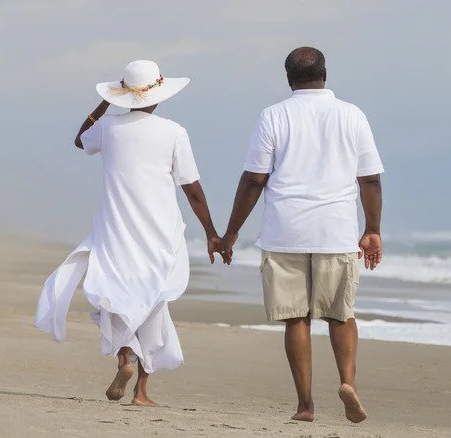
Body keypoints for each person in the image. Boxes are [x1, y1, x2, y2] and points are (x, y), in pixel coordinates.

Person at [35, 60, 221, 407]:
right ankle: (142, 393)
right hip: (160, 233)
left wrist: (106, 103)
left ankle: (125, 358)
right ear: (159, 95)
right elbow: (192, 189)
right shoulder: (174, 132)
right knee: (153, 302)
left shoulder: (107, 127)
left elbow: (80, 140)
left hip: (116, 230)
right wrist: (212, 233)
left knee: (117, 298)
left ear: (124, 94)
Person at [220, 47, 384, 423]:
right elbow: (370, 179)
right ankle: (348, 383)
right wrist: (372, 229)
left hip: (285, 231)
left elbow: (254, 180)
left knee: (296, 318)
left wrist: (230, 233)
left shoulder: (273, 116)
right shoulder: (352, 115)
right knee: (340, 315)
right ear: (325, 74)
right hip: (336, 230)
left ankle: (305, 405)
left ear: (288, 78)